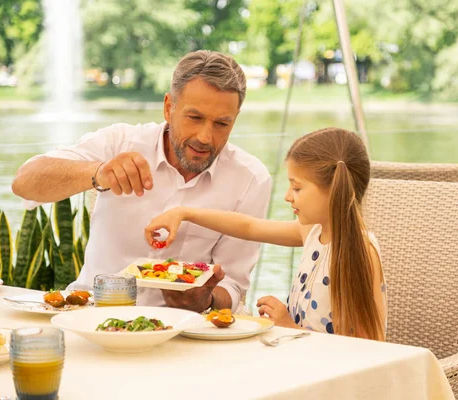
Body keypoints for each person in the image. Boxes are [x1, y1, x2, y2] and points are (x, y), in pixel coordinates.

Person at [11, 50, 272, 313]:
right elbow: (24, 182)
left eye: (221, 124)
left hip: (184, 329)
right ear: (169, 107)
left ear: (235, 118)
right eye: (195, 118)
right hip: (92, 313)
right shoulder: (119, 142)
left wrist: (207, 300)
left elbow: (233, 285)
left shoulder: (251, 179)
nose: (205, 137)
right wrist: (98, 172)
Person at [145, 128, 387, 341]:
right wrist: (185, 213)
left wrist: (288, 326)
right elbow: (249, 227)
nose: (288, 196)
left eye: (297, 187)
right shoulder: (313, 233)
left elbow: (367, 347)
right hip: (304, 359)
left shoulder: (358, 253)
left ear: (334, 190)